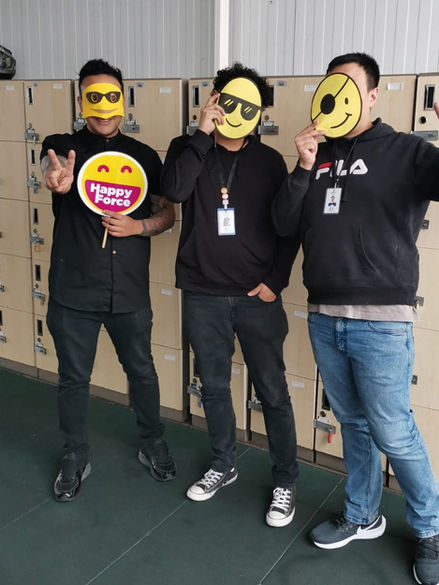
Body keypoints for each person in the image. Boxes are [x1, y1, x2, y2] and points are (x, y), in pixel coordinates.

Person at [272, 52, 439, 585]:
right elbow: (283, 224)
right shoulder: (316, 153)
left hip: (381, 320)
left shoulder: (406, 150)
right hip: (325, 314)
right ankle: (363, 514)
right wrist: (302, 166)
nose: (337, 96)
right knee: (353, 423)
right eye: (330, 86)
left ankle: (431, 528)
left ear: (371, 95)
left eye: (348, 86)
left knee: (394, 430)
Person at [161, 62, 299, 527]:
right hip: (203, 293)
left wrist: (276, 282)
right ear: (214, 99)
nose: (236, 111)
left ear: (259, 112)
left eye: (248, 105)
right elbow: (174, 190)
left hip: (256, 297)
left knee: (273, 391)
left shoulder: (270, 161)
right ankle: (224, 464)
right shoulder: (187, 148)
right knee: (214, 387)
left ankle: (285, 480)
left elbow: (288, 228)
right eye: (227, 100)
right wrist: (201, 135)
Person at [41, 58, 176, 502]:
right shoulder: (62, 146)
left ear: (124, 100)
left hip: (129, 291)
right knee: (73, 379)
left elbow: (167, 214)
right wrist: (58, 179)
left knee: (142, 372)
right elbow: (51, 169)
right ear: (81, 102)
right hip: (73, 289)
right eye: (93, 97)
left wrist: (139, 226)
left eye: (111, 96)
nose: (103, 107)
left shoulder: (144, 156)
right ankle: (75, 454)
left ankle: (152, 442)